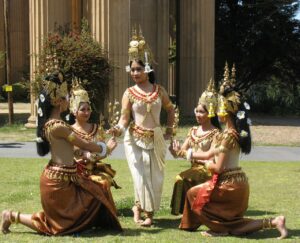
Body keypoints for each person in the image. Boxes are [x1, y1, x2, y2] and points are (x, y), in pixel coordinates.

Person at [173, 64, 288, 239]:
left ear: (224, 112)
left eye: (218, 106)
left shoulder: (227, 136)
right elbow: (209, 154)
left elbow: (217, 167)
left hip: (229, 186)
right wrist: (186, 154)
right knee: (234, 227)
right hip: (238, 183)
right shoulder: (233, 134)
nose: (216, 110)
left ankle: (218, 228)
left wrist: (203, 163)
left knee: (192, 194)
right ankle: (274, 221)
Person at [0, 72, 122, 235]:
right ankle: (11, 216)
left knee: (95, 192)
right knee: (56, 227)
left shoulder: (58, 125)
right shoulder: (58, 126)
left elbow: (73, 149)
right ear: (57, 101)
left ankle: (11, 216)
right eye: (65, 98)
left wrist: (85, 154)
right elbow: (83, 143)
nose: (67, 101)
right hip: (57, 181)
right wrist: (105, 148)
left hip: (66, 177)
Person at [109, 27, 175, 226]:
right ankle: (148, 215)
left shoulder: (159, 90)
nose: (135, 73)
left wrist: (169, 131)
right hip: (134, 139)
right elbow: (124, 118)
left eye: (139, 69)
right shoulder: (128, 93)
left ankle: (138, 207)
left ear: (147, 69)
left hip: (156, 138)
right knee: (140, 176)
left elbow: (171, 110)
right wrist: (117, 130)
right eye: (132, 69)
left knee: (155, 178)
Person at [168, 79, 220, 215]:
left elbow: (212, 156)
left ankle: (190, 211)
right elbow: (181, 152)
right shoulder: (193, 130)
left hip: (207, 171)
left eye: (201, 112)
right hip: (194, 169)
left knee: (182, 178)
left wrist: (188, 154)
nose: (197, 114)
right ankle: (184, 211)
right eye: (196, 111)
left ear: (210, 113)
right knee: (180, 178)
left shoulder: (215, 133)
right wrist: (174, 150)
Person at [69, 79, 121, 213]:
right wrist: (106, 149)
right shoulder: (68, 131)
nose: (87, 112)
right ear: (74, 111)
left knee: (103, 181)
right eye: (83, 110)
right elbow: (74, 154)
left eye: (88, 109)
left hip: (93, 170)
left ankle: (102, 213)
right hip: (76, 172)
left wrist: (107, 149)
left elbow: (100, 154)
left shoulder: (97, 129)